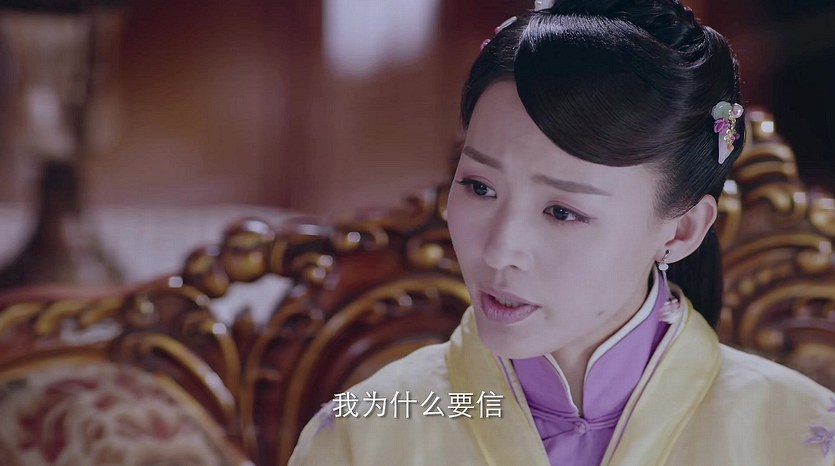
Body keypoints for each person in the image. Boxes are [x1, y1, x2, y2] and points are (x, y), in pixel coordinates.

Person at [289, 1, 835, 464]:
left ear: (682, 230)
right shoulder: (367, 431)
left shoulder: (799, 437)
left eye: (562, 212)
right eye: (479, 186)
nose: (499, 250)